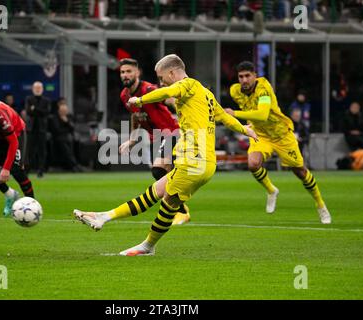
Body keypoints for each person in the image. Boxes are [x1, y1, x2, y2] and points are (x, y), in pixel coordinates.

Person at [73, 54, 257, 256]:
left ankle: (147, 246)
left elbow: (169, 91)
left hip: (193, 161)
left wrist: (140, 99)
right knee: (155, 191)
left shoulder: (189, 85)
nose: (161, 82)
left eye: (162, 77)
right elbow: (224, 117)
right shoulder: (205, 93)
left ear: (171, 73)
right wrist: (245, 130)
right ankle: (104, 217)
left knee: (167, 202)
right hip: (204, 162)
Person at [225, 61, 331, 224]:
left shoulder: (264, 89)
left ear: (255, 75)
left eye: (248, 76)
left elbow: (262, 115)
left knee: (300, 171)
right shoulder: (235, 91)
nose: (244, 80)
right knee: (253, 164)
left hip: (281, 135)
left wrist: (235, 113)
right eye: (241, 76)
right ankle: (271, 190)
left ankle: (321, 205)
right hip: (260, 135)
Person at [118, 57, 189, 225]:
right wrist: (132, 140)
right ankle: (178, 210)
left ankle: (181, 210)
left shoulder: (149, 89)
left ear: (137, 72)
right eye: (122, 72)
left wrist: (187, 117)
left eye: (129, 71)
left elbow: (171, 100)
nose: (125, 75)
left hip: (173, 133)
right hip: (158, 139)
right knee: (163, 174)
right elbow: (135, 116)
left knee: (159, 169)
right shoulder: (125, 95)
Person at [25, 81, 51, 178]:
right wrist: (39, 110)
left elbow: (47, 112)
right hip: (31, 129)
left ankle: (40, 171)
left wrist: (35, 109)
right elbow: (28, 111)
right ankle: (27, 170)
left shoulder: (46, 100)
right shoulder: (29, 99)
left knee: (42, 151)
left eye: (39, 88)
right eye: (36, 88)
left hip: (42, 129)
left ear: (42, 89)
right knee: (29, 150)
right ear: (32, 89)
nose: (37, 89)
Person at [49, 102, 78, 171]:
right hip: (57, 138)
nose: (64, 113)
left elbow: (72, 128)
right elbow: (57, 130)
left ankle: (75, 164)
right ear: (59, 111)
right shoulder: (54, 118)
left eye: (65, 111)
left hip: (67, 138)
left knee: (74, 141)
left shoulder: (68, 117)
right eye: (62, 111)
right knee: (63, 143)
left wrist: (66, 121)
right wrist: (67, 129)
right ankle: (74, 165)